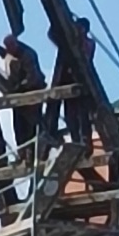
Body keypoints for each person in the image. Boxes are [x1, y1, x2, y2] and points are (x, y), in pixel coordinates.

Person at [0, 35, 46, 163]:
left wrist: (19, 87)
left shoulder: (28, 55)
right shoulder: (13, 53)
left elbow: (32, 77)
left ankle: (30, 155)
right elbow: (8, 56)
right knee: (18, 127)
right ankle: (22, 154)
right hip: (19, 96)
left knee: (30, 127)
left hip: (32, 94)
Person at [49, 17, 95, 156]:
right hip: (69, 83)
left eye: (80, 28)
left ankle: (85, 142)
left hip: (80, 84)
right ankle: (76, 140)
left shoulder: (87, 43)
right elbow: (52, 34)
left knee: (82, 116)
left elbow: (84, 55)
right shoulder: (68, 41)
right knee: (71, 116)